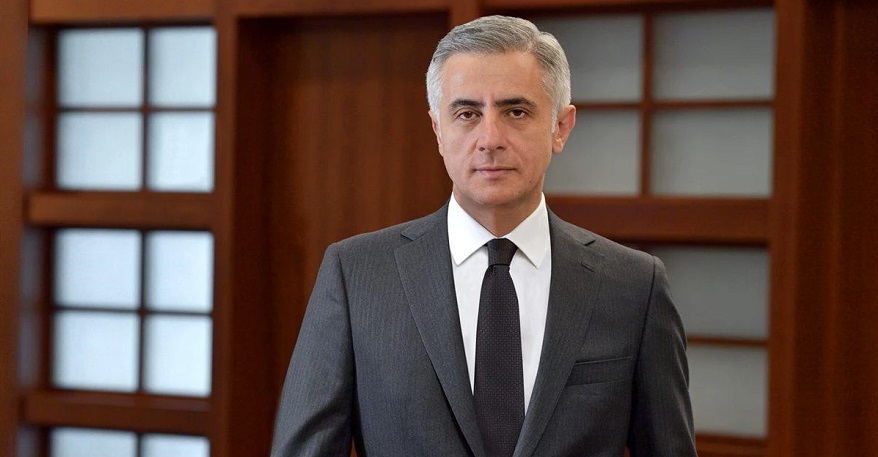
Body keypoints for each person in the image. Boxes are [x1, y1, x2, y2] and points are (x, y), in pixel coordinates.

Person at [271, 15, 696, 457]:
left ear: (561, 127)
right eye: (467, 114)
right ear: (438, 130)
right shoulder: (356, 276)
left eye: (516, 112)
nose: (490, 138)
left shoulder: (633, 285)